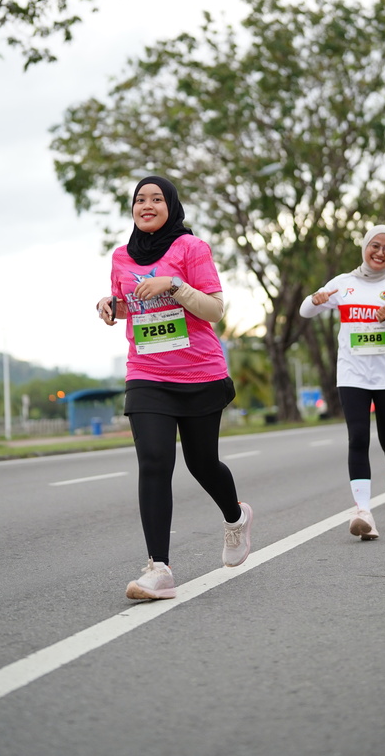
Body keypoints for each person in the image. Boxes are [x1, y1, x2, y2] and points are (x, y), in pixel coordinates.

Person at [97, 175, 253, 600]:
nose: (146, 205)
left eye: (156, 199)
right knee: (154, 460)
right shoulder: (120, 256)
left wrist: (174, 284)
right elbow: (131, 305)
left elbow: (215, 309)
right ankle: (159, 569)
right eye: (139, 199)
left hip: (199, 373)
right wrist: (110, 306)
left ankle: (235, 518)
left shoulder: (191, 248)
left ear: (171, 206)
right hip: (147, 373)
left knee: (202, 464)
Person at [299, 225, 385, 540]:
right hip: (352, 375)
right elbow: (305, 311)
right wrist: (315, 298)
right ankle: (363, 511)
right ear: (365, 247)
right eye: (375, 246)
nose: (380, 253)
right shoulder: (343, 283)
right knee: (358, 438)